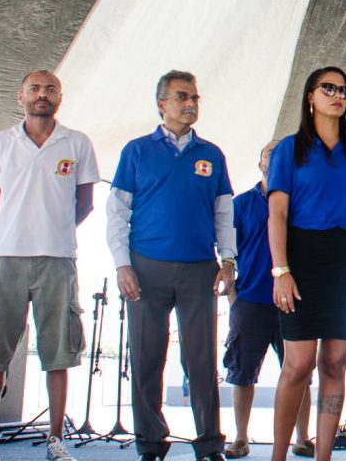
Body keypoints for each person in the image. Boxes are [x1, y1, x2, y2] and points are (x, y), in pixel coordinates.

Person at [0, 70, 99, 461]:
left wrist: (51, 231)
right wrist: (18, 231)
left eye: (51, 89)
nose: (43, 94)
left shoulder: (77, 142)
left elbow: (85, 203)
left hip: (58, 259)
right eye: (35, 89)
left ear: (60, 97)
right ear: (20, 95)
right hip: (6, 257)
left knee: (58, 351)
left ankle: (56, 440)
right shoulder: (0, 143)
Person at [107, 70, 236, 461]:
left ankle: (209, 443)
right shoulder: (136, 151)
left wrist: (228, 262)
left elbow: (223, 215)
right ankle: (150, 442)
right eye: (182, 97)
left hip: (200, 268)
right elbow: (117, 213)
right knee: (146, 356)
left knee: (201, 359)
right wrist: (121, 265)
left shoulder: (211, 155)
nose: (191, 103)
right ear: (161, 104)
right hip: (145, 269)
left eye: (195, 97)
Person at [269, 67, 346, 461]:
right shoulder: (288, 149)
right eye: (328, 88)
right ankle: (278, 455)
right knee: (298, 364)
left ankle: (323, 456)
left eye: (343, 90)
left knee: (336, 362)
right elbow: (276, 213)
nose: (337, 95)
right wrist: (281, 270)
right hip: (300, 256)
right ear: (310, 96)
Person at [223, 141, 313, 459]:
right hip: (250, 301)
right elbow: (225, 251)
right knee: (242, 373)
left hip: (294, 301)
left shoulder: (303, 203)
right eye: (269, 153)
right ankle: (241, 438)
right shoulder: (241, 204)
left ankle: (302, 439)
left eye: (282, 154)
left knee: (300, 372)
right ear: (259, 162)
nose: (275, 159)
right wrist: (234, 294)